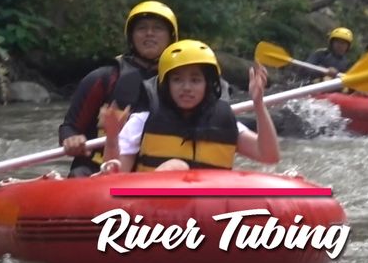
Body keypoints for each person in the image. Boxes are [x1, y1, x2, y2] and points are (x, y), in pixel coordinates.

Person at [100, 40, 279, 173]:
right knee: (176, 167)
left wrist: (258, 104)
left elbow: (269, 155)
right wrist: (112, 139)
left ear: (207, 84)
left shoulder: (225, 121)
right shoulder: (142, 121)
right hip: (153, 207)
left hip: (209, 207)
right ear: (166, 84)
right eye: (177, 80)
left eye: (195, 80)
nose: (186, 88)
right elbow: (115, 176)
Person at [58, 0, 177, 177]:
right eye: (142, 28)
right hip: (99, 168)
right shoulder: (104, 78)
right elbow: (69, 127)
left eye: (158, 28)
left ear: (171, 37)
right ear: (131, 37)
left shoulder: (181, 84)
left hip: (153, 171)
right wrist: (71, 139)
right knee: (79, 174)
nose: (149, 33)